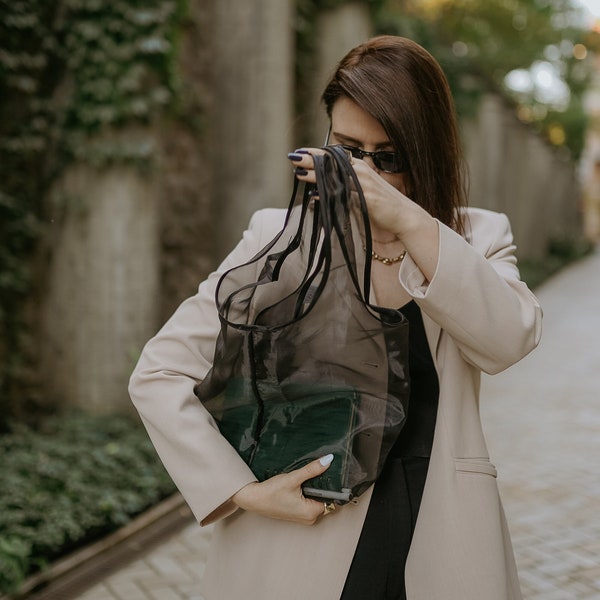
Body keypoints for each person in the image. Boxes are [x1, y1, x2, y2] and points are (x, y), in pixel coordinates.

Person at [129, 35, 542, 600]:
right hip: (303, 537)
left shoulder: (478, 237)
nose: (364, 174)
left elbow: (507, 341)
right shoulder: (282, 239)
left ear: (428, 156)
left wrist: (409, 219)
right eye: (348, 151)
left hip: (442, 530)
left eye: (389, 158)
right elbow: (159, 373)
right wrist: (239, 491)